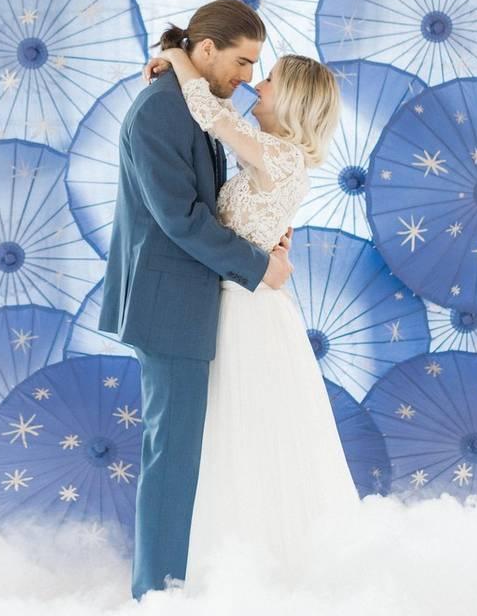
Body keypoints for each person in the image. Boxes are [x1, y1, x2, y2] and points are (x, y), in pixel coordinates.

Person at [142, 35, 360, 590]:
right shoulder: (275, 156)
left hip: (246, 310)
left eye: (267, 81)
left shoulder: (279, 155)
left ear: (290, 99)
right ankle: (230, 568)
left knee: (239, 436)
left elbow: (209, 113)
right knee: (234, 436)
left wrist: (175, 57)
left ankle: (244, 576)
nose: (254, 85)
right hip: (243, 299)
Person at [97, 0, 295, 600]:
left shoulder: (192, 100)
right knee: (172, 455)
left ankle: (180, 584)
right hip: (168, 306)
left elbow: (212, 206)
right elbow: (182, 219)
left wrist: (263, 236)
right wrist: (262, 267)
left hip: (192, 300)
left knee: (190, 452)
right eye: (242, 61)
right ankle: (154, 596)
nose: (245, 76)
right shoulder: (160, 111)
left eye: (255, 65)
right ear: (206, 50)